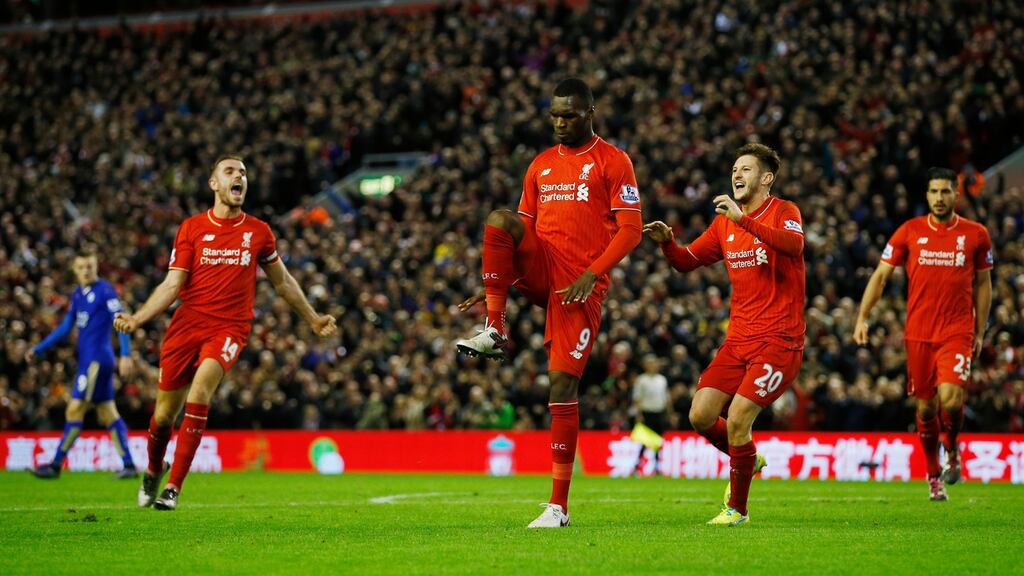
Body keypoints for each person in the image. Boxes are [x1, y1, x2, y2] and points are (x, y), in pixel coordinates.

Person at [456, 78, 642, 528]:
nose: (560, 123)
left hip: (579, 286)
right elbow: (520, 230)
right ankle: (495, 327)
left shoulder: (613, 161)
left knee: (561, 386)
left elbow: (631, 230)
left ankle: (558, 506)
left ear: (590, 113)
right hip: (543, 269)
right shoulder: (540, 164)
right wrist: (496, 282)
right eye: (555, 115)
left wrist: (592, 273)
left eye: (569, 116)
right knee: (499, 220)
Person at [114, 155, 337, 511]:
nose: (239, 177)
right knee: (163, 416)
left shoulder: (259, 232)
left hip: (230, 328)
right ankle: (155, 469)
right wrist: (138, 318)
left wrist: (311, 318)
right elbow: (172, 284)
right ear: (214, 184)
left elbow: (282, 281)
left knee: (201, 389)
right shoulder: (191, 228)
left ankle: (173, 487)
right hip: (187, 326)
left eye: (243, 173)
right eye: (230, 172)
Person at [644, 143, 805, 526]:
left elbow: (794, 245)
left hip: (779, 340)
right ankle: (746, 458)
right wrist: (667, 243)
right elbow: (686, 261)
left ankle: (738, 510)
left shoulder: (784, 211)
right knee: (700, 415)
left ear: (766, 178)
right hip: (738, 341)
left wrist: (743, 220)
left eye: (746, 169)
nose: (737, 175)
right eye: (734, 169)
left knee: (737, 418)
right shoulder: (723, 225)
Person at [854, 167, 993, 501]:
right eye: (933, 192)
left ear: (955, 194)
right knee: (927, 409)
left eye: (945, 191)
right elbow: (881, 275)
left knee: (952, 398)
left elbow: (984, 284)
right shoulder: (910, 231)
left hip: (957, 330)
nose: (939, 198)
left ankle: (952, 448)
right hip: (918, 334)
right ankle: (933, 473)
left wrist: (979, 331)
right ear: (927, 195)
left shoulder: (976, 235)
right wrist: (862, 317)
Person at [26, 249, 137, 479]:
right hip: (89, 361)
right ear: (75, 270)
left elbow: (120, 320)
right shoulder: (78, 294)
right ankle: (129, 465)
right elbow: (65, 327)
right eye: (81, 267)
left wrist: (126, 354)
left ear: (96, 267)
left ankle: (55, 465)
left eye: (90, 266)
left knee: (75, 409)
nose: (86, 270)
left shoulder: (105, 290)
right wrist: (39, 348)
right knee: (108, 412)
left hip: (97, 361)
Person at [632, 354, 669, 474]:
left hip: (659, 413)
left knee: (658, 441)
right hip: (646, 413)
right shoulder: (641, 380)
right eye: (650, 364)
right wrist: (638, 414)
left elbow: (665, 397)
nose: (653, 366)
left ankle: (657, 467)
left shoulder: (662, 380)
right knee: (645, 441)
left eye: (654, 363)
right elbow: (637, 398)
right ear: (645, 366)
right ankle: (637, 466)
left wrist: (669, 413)